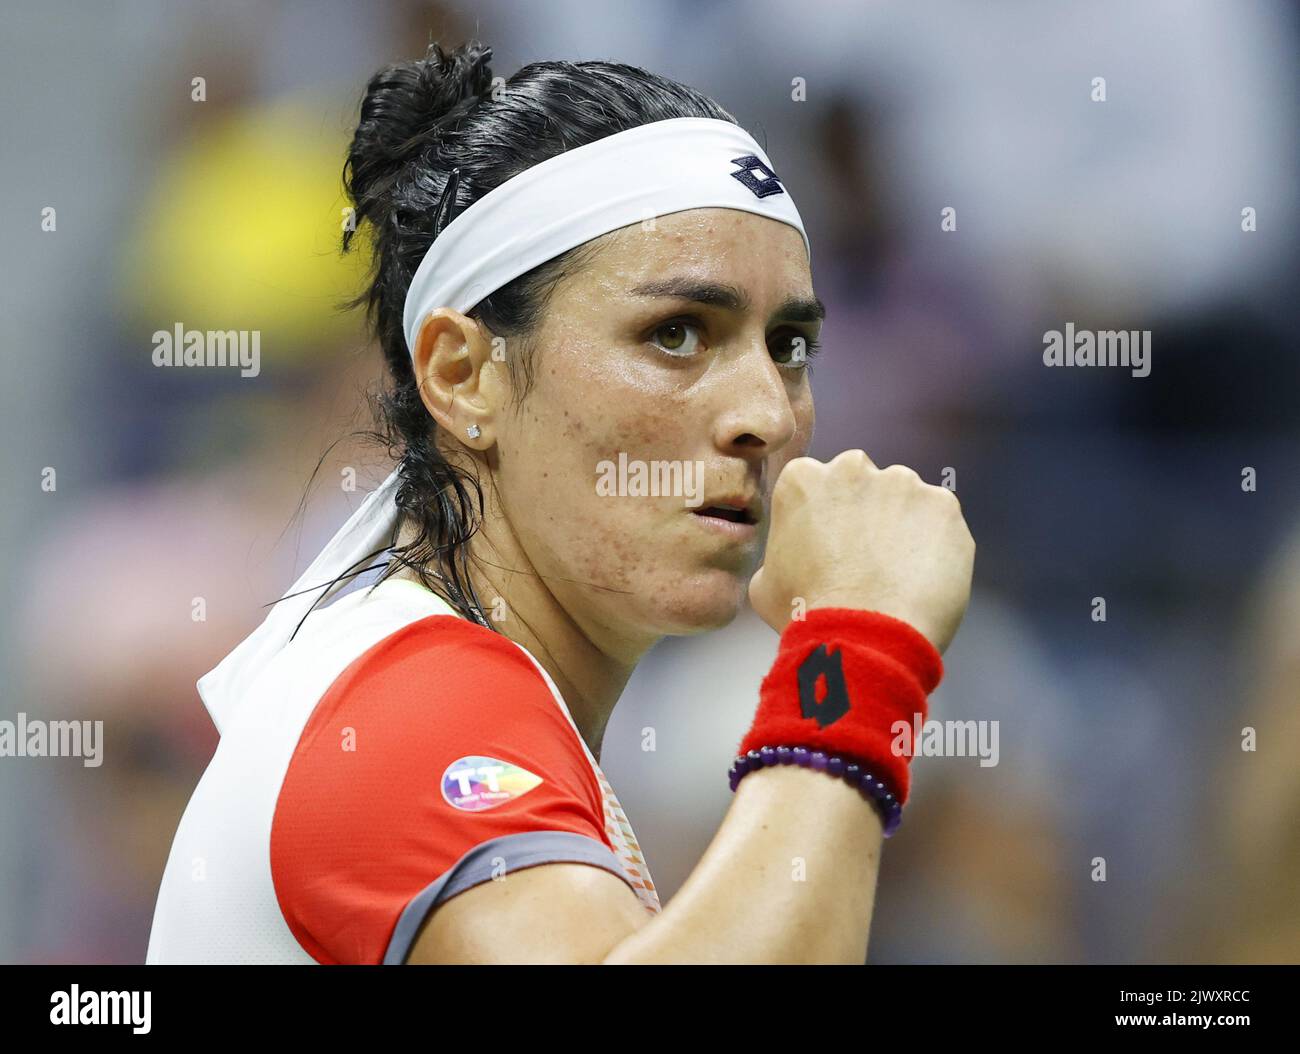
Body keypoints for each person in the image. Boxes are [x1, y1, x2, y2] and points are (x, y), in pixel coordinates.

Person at [145, 40, 975, 965]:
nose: (766, 415)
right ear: (462, 375)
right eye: (676, 333)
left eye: (787, 345)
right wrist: (858, 651)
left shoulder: (437, 686)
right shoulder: (415, 709)